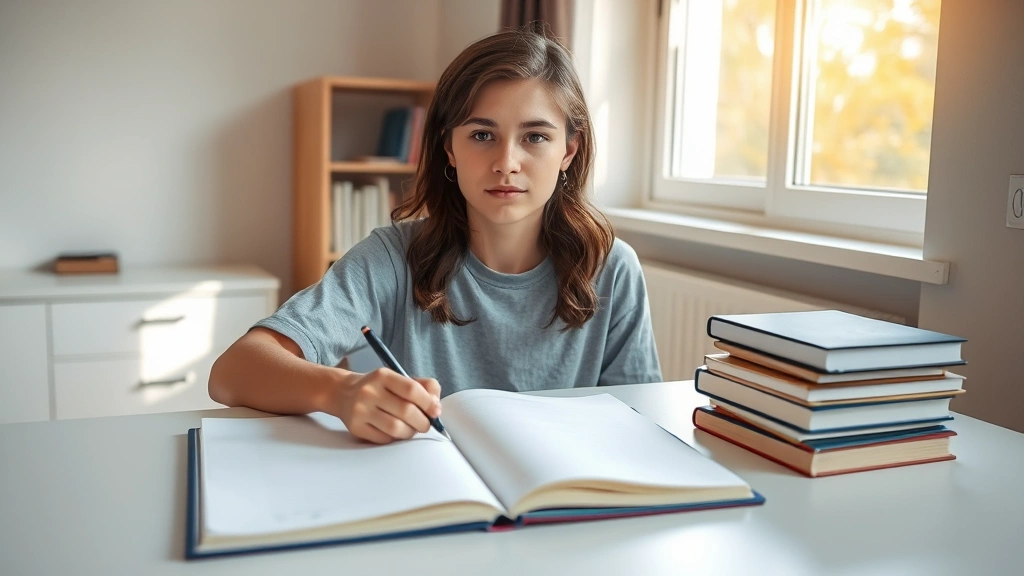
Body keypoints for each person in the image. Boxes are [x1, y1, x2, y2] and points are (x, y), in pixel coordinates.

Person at [208, 26, 662, 444]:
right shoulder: (392, 257)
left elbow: (638, 424)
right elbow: (233, 372)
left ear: (570, 148)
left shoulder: (612, 268)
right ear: (449, 146)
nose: (507, 161)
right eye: (482, 134)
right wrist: (341, 393)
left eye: (535, 137)